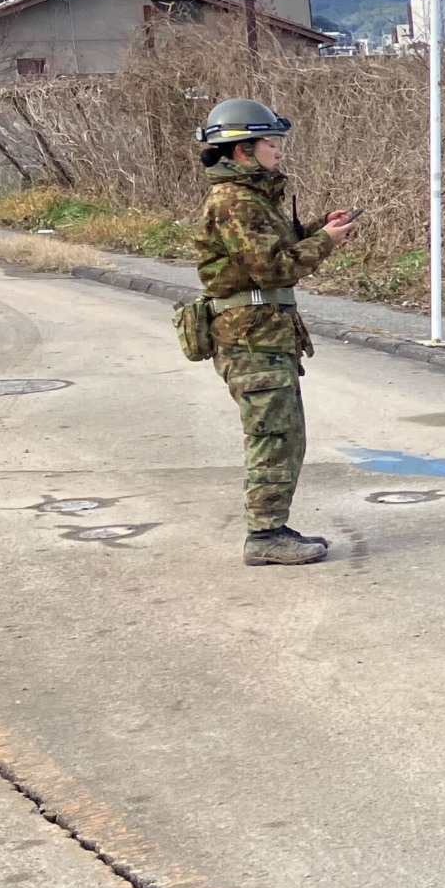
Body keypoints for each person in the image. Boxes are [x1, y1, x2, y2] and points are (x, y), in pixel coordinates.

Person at [193, 99, 356, 566]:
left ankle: (272, 527)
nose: (278, 150)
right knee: (272, 434)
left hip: (263, 336)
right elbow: (272, 268)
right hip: (250, 340)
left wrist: (317, 228)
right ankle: (264, 537)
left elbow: (272, 247)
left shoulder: (252, 199)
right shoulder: (235, 203)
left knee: (283, 433)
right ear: (242, 150)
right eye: (271, 142)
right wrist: (326, 243)